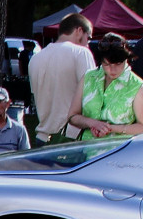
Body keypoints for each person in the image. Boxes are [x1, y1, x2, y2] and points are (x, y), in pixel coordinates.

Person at [27, 13, 95, 143]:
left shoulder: (35, 59)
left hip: (42, 138)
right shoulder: (81, 53)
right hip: (70, 138)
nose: (88, 43)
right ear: (79, 31)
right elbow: (91, 97)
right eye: (89, 37)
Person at [69, 36, 143, 141]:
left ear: (126, 60)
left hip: (118, 151)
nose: (112, 69)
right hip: (86, 149)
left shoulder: (136, 85)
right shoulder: (89, 77)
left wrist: (110, 128)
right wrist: (92, 123)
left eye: (118, 64)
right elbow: (72, 116)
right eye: (106, 64)